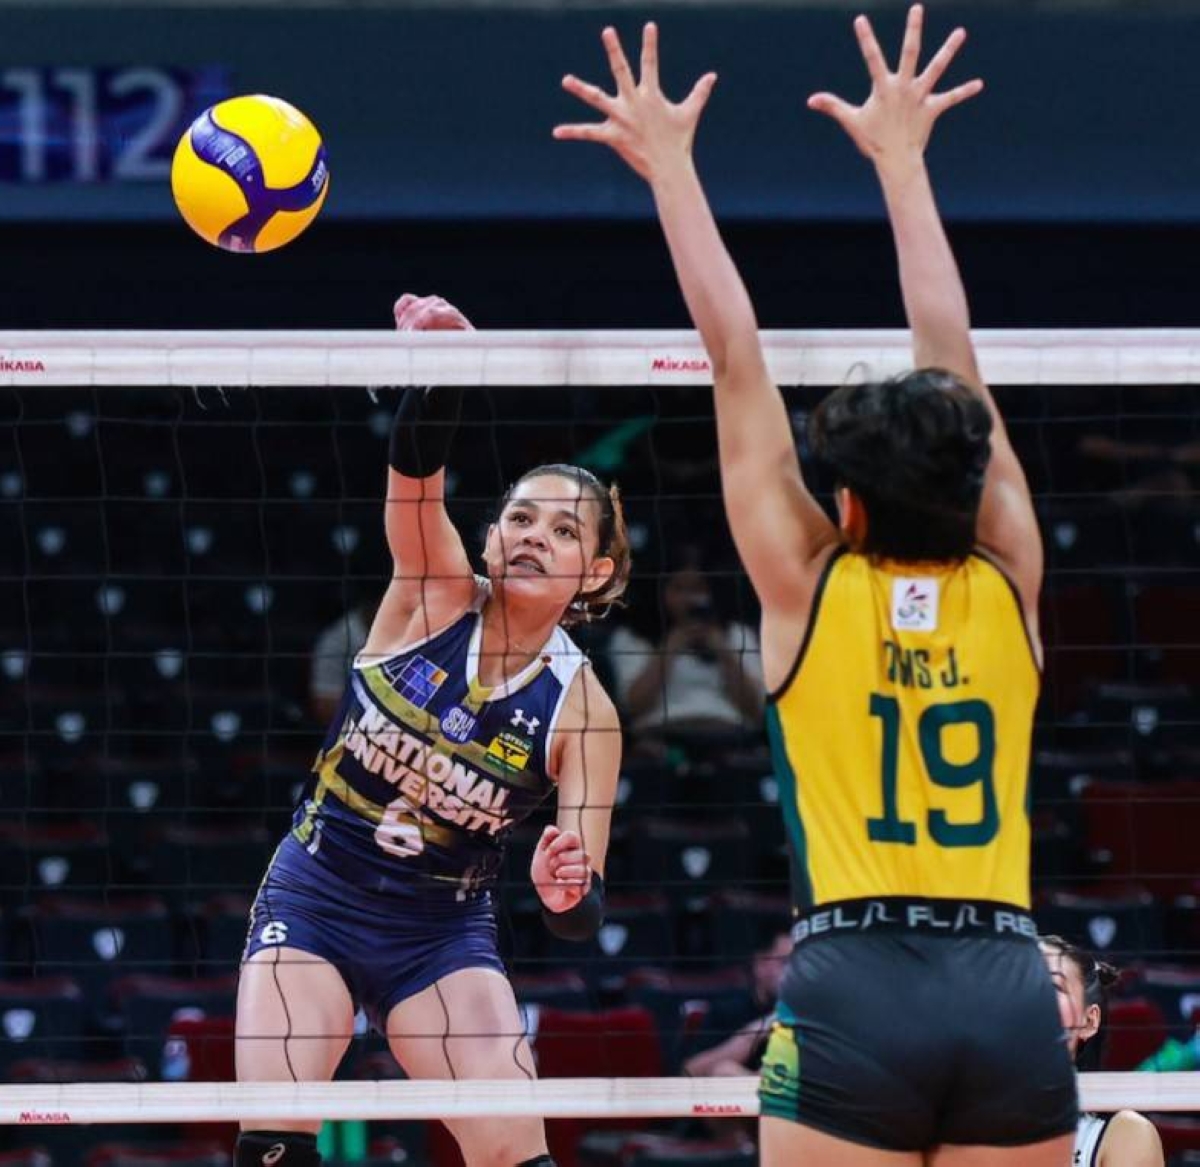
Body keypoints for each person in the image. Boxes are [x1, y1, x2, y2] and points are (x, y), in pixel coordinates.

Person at [557, 7, 1076, 1164]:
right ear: (976, 479)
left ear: (844, 504)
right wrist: (906, 161)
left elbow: (732, 354)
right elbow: (953, 355)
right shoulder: (1011, 581)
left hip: (852, 985)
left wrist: (672, 170)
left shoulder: (806, 585)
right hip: (1006, 979)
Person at [233, 293, 630, 1167]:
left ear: (594, 572)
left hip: (440, 934)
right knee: (273, 1140)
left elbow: (582, 904)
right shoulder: (431, 592)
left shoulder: (586, 712)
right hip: (316, 896)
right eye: (521, 517)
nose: (533, 536)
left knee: (515, 1152)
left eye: (563, 530)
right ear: (489, 538)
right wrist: (446, 369)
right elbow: (415, 473)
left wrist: (569, 891)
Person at [607, 554, 763, 744]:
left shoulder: (737, 634)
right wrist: (670, 648)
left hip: (729, 738)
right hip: (660, 740)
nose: (689, 598)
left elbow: (756, 710)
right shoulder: (632, 636)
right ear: (660, 590)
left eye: (697, 589)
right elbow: (633, 707)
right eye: (679, 589)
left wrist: (723, 651)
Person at [1040, 936, 1164, 1167]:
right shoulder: (964, 1121)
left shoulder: (1126, 1135)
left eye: (1051, 986)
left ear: (1088, 1021)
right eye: (1018, 985)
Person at [682, 930, 791, 1079]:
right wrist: (753, 1034)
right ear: (760, 964)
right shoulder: (726, 1010)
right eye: (786, 962)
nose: (796, 971)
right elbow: (689, 1072)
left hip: (793, 1099)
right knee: (724, 1070)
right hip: (739, 1100)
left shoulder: (815, 1014)